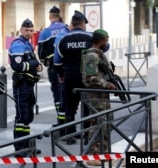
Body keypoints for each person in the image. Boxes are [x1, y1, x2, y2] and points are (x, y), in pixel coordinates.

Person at [54, 10, 91, 145]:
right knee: (87, 106)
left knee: (70, 107)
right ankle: (87, 136)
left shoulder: (63, 39)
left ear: (72, 24)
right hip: (86, 76)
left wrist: (61, 74)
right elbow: (104, 47)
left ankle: (70, 136)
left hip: (69, 76)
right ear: (82, 24)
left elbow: (57, 61)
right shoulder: (90, 37)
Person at [80, 29, 117, 166]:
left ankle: (103, 152)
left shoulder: (99, 56)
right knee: (96, 124)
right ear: (101, 40)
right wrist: (107, 84)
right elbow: (89, 79)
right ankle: (93, 154)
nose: (107, 43)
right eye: (106, 40)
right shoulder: (92, 56)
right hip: (96, 96)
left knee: (105, 124)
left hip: (103, 96)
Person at [9, 18, 43, 156]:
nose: (29, 33)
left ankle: (27, 144)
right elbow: (18, 66)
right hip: (21, 85)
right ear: (21, 30)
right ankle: (20, 147)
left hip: (28, 84)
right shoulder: (18, 45)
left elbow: (29, 63)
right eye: (26, 30)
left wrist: (37, 66)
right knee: (22, 117)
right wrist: (34, 63)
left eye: (31, 30)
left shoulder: (27, 44)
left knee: (27, 117)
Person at [38, 6, 66, 128]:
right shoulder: (67, 29)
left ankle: (61, 122)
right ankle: (70, 124)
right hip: (67, 67)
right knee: (67, 94)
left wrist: (45, 62)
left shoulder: (45, 32)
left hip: (54, 67)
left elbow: (41, 52)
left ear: (50, 17)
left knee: (57, 94)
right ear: (59, 16)